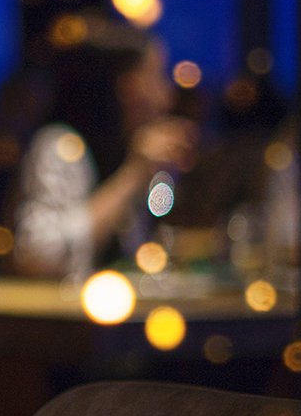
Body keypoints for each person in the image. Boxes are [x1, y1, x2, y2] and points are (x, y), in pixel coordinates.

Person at [12, 14, 197, 279]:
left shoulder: (128, 147)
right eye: (157, 76)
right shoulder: (60, 145)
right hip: (67, 317)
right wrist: (134, 173)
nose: (166, 97)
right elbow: (40, 259)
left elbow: (153, 234)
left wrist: (163, 176)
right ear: (128, 86)